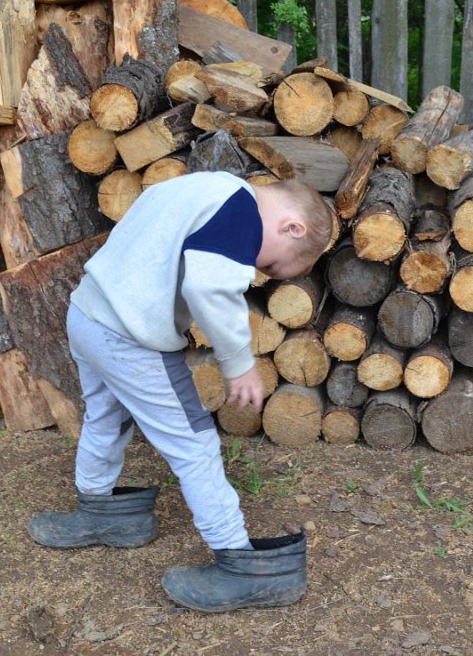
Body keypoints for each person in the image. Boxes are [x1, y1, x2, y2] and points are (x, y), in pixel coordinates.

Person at [28, 171, 333, 613]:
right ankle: (240, 563)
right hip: (131, 339)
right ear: (292, 227)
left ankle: (100, 510)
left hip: (89, 314)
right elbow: (207, 285)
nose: (255, 271)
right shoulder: (241, 211)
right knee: (194, 445)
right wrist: (238, 361)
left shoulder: (205, 185)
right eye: (269, 265)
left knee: (105, 416)